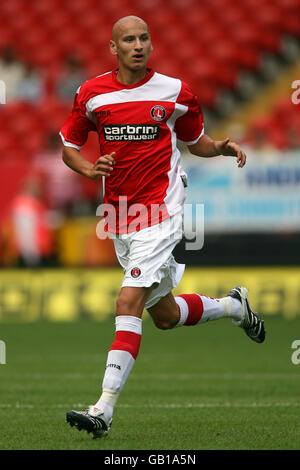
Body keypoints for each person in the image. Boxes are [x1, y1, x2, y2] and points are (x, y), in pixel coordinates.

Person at [59, 16, 265, 439]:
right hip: (119, 216)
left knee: (126, 303)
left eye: (144, 38)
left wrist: (220, 147)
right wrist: (86, 168)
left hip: (162, 211)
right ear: (112, 47)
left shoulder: (175, 91)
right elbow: (69, 147)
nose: (138, 45)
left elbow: (196, 142)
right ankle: (234, 307)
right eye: (129, 40)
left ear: (151, 44)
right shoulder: (92, 93)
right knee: (166, 316)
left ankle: (103, 409)